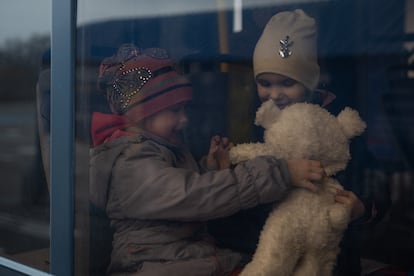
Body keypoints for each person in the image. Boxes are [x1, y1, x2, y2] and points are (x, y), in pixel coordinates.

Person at [89, 43, 326, 275]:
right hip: (155, 266)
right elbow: (192, 196)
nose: (184, 120)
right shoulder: (129, 161)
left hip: (183, 259)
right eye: (174, 111)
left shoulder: (152, 149)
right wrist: (279, 173)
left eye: (184, 110)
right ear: (143, 113)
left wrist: (209, 170)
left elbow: (178, 191)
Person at [209, 9, 387, 276]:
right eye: (264, 83)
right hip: (270, 254)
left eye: (287, 83)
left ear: (309, 82)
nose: (275, 94)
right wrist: (223, 174)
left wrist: (362, 209)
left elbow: (374, 181)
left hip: (332, 260)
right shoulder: (258, 127)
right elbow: (243, 205)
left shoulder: (334, 128)